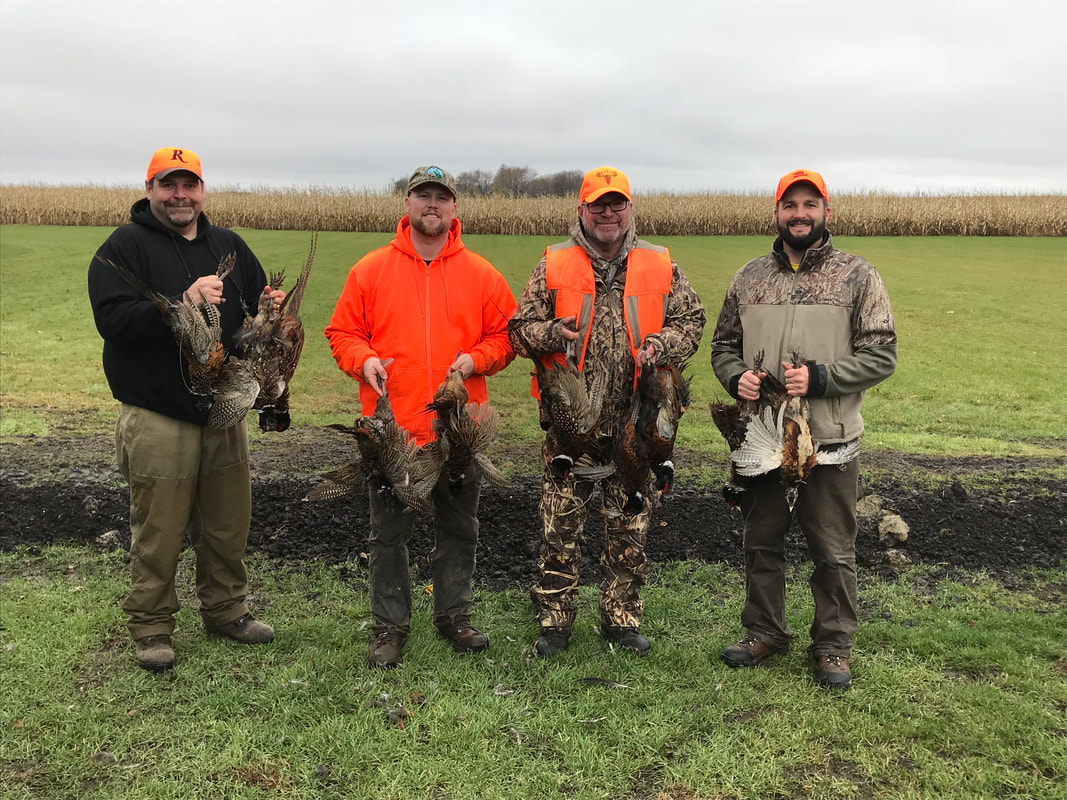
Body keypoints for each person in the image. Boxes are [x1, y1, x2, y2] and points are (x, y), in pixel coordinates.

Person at [88, 147, 282, 672]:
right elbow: (112, 320)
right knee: (160, 526)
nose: (180, 195)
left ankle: (227, 610)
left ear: (202, 189)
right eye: (168, 184)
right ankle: (152, 626)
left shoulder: (229, 246)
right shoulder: (124, 247)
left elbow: (244, 325)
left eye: (189, 184)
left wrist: (267, 315)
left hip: (222, 411)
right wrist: (182, 303)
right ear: (149, 188)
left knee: (226, 521)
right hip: (159, 412)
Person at [711, 168, 897, 689]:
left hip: (829, 437)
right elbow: (723, 347)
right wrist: (736, 378)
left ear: (825, 212)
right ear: (776, 212)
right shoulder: (749, 277)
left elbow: (881, 356)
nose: (799, 213)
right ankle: (764, 631)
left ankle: (833, 644)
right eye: (789, 204)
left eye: (809, 204)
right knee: (760, 542)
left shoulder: (857, 276)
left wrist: (820, 378)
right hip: (762, 438)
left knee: (833, 550)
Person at [509, 166, 706, 658]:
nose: (608, 212)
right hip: (571, 427)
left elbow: (693, 319)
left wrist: (664, 344)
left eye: (616, 203)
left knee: (630, 527)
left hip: (635, 427)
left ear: (629, 208)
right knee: (560, 528)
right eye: (598, 203)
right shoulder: (553, 263)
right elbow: (517, 331)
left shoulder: (660, 264)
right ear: (582, 209)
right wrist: (554, 334)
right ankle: (555, 621)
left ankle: (620, 618)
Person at [325, 166, 517, 669]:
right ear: (407, 204)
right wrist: (362, 359)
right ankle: (390, 626)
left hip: (457, 434)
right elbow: (341, 332)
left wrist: (475, 361)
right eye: (422, 195)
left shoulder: (481, 274)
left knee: (460, 527)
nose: (432, 204)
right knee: (388, 533)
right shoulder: (370, 270)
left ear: (454, 209)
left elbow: (507, 337)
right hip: (393, 434)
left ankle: (454, 616)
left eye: (441, 197)